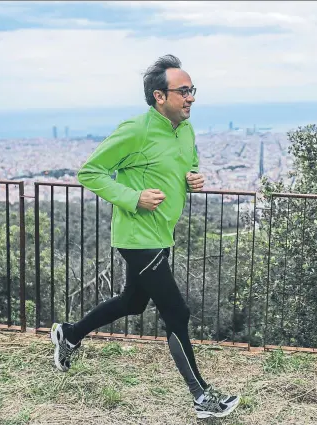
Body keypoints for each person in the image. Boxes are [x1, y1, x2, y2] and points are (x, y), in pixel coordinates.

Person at [50, 54, 240, 419]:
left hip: (161, 234)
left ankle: (69, 334)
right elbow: (90, 172)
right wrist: (133, 197)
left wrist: (193, 177)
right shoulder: (136, 130)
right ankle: (202, 398)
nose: (191, 98)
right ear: (159, 96)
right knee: (177, 313)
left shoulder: (185, 129)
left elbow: (187, 162)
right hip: (138, 237)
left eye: (192, 90)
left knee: (133, 303)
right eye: (183, 91)